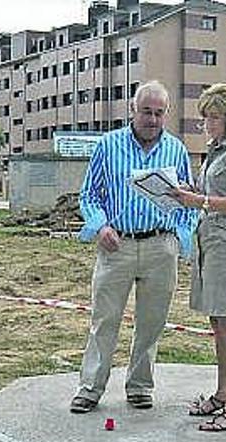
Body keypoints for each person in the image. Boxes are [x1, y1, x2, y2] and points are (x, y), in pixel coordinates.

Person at [70, 81, 196, 414]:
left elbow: (189, 200)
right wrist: (100, 225)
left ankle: (140, 386)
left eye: (158, 113)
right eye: (146, 112)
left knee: (152, 322)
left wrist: (180, 238)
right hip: (117, 246)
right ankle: (90, 387)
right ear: (132, 109)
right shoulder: (108, 146)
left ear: (166, 113)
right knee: (105, 319)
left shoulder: (177, 151)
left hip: (159, 246)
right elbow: (89, 194)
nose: (152, 120)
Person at [171, 83, 226, 432]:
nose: (207, 124)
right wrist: (186, 193)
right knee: (217, 322)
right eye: (204, 117)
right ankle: (223, 393)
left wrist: (201, 202)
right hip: (209, 239)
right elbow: (212, 194)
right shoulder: (217, 150)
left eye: (213, 117)